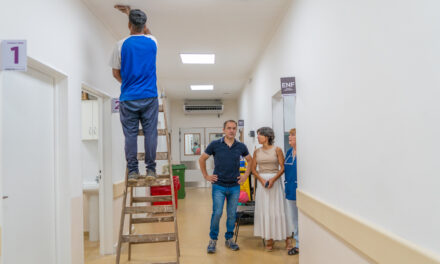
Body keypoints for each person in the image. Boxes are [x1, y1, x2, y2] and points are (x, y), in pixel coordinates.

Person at [109, 8, 159, 181]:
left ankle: (132, 171)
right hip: (149, 96)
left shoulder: (120, 44)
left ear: (129, 25)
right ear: (144, 25)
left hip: (128, 98)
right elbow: (148, 32)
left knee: (130, 135)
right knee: (150, 133)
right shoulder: (152, 42)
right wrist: (130, 13)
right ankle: (151, 170)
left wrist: (129, 84)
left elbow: (116, 73)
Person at [199, 120, 253, 254]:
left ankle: (229, 239)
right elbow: (202, 159)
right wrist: (206, 176)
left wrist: (246, 175)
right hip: (219, 186)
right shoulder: (215, 145)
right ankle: (213, 240)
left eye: (234, 128)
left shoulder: (241, 146)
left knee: (231, 215)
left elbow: (250, 160)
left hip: (234, 186)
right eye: (229, 128)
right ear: (223, 130)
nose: (231, 130)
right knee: (217, 213)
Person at [252, 127, 289, 251]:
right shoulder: (256, 152)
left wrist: (273, 179)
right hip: (262, 183)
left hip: (275, 182)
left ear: (266, 136)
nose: (257, 137)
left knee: (278, 209)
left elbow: (283, 167)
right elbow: (253, 169)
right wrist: (261, 180)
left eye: (259, 135)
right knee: (266, 210)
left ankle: (287, 239)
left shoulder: (277, 150)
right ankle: (269, 239)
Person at [285, 128, 299, 255]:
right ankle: (298, 243)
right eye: (289, 135)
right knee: (294, 219)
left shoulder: (304, 152)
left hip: (300, 191)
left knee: (302, 220)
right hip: (289, 190)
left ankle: (300, 244)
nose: (290, 137)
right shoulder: (289, 152)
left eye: (293, 135)